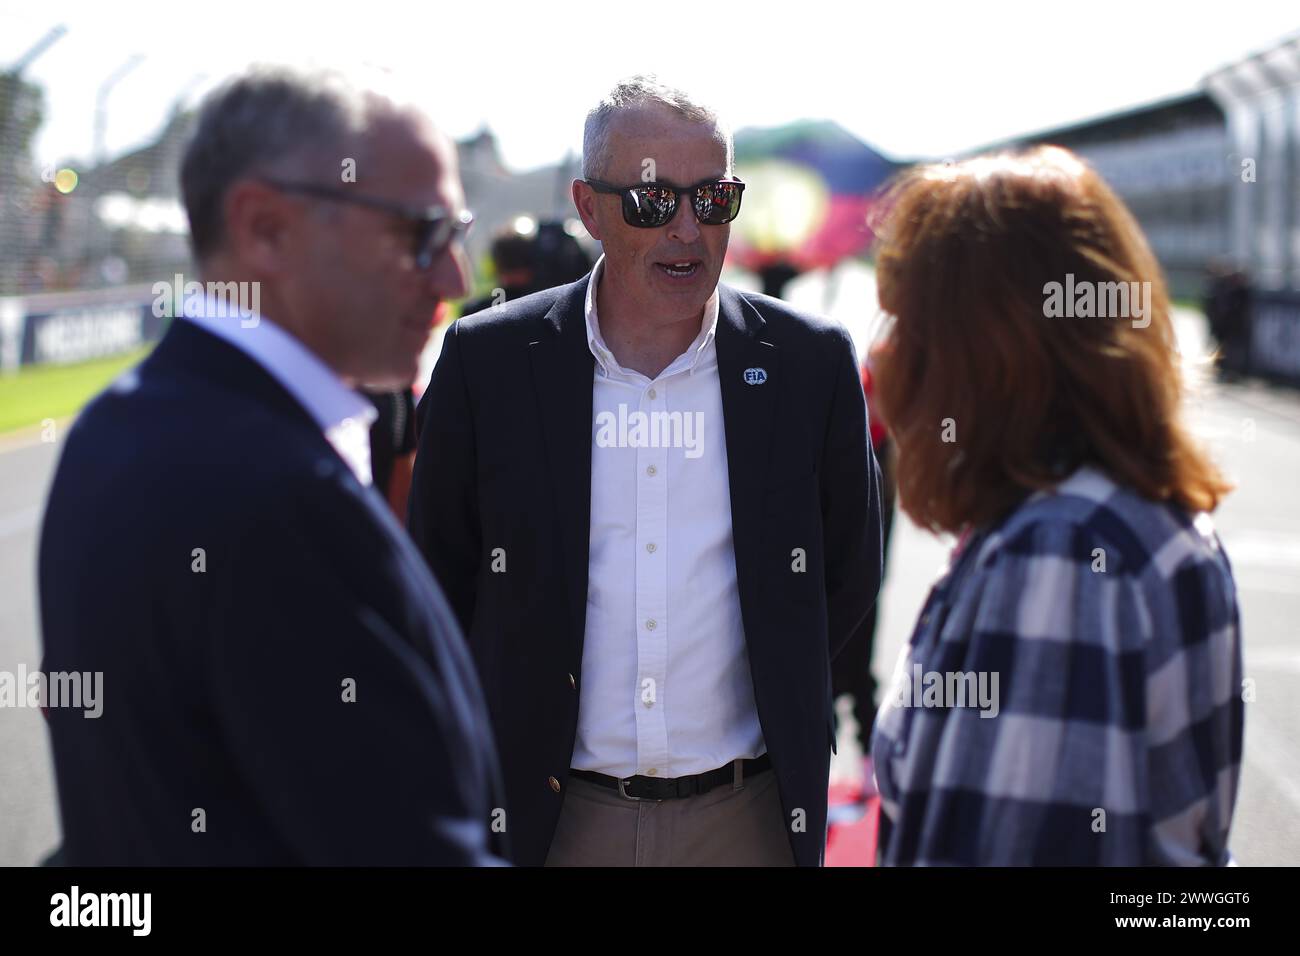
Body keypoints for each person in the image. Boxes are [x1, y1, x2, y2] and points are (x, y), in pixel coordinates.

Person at [408, 74, 884, 867]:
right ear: (590, 208)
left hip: (750, 817)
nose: (689, 232)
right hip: (553, 821)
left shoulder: (811, 364)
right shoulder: (487, 361)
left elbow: (844, 580)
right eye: (655, 203)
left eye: (715, 200)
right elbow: (440, 581)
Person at [39, 66, 507, 865]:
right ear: (263, 228)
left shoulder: (117, 424)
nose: (454, 279)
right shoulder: (279, 495)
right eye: (421, 234)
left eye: (456, 235)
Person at [868, 146, 1243, 865]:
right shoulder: (1131, 518)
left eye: (905, 323)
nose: (885, 357)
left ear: (981, 352)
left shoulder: (1059, 557)